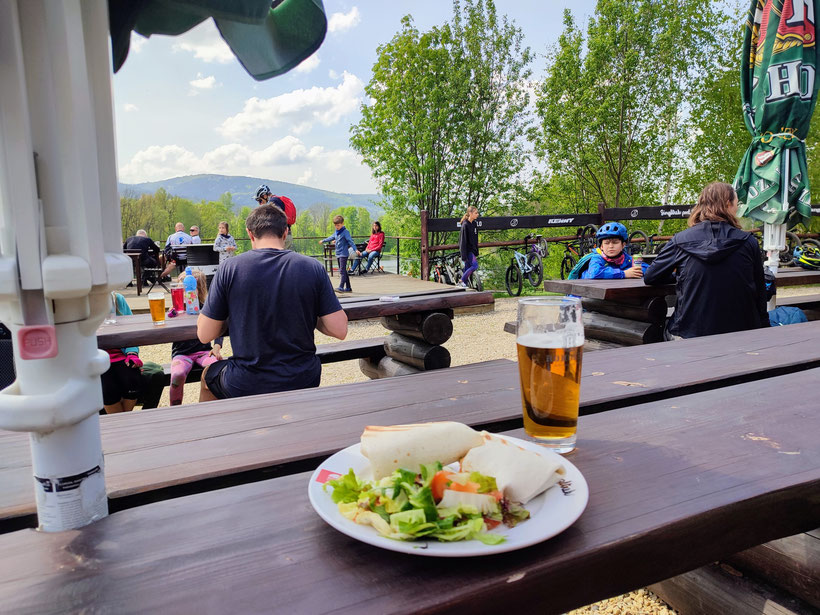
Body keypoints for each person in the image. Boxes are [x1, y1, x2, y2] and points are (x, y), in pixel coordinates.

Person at [197, 204, 347, 401]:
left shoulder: (230, 268)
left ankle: (219, 432)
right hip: (303, 377)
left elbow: (204, 334)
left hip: (246, 380)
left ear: (250, 234)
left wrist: (231, 315)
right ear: (285, 232)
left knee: (207, 376)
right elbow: (340, 330)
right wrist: (311, 313)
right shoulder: (312, 267)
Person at [644, 181, 770, 339]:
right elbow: (760, 289)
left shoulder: (680, 240)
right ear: (727, 204)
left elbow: (651, 276)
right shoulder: (748, 241)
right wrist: (764, 326)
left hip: (689, 333)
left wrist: (680, 276)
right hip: (742, 332)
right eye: (736, 203)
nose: (737, 209)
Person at [169, 270, 223, 405]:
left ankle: (210, 404)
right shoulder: (176, 310)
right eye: (182, 290)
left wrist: (217, 346)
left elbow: (219, 328)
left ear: (199, 290)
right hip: (182, 354)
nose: (186, 294)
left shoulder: (206, 309)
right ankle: (175, 409)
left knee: (217, 369)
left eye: (189, 290)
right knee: (177, 375)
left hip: (203, 352)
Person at [580, 223, 645, 279]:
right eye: (607, 243)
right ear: (601, 247)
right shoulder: (597, 258)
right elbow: (595, 273)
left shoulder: (627, 259)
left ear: (623, 245)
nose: (611, 246)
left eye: (615, 242)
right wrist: (624, 274)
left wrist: (636, 271)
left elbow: (648, 269)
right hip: (584, 292)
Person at [320, 215, 356, 293]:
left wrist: (355, 249)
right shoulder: (336, 232)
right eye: (335, 225)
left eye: (338, 225)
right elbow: (331, 237)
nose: (337, 227)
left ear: (342, 224)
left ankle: (341, 287)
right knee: (344, 271)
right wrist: (323, 240)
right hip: (338, 253)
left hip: (343, 254)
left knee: (342, 271)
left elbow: (350, 241)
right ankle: (348, 287)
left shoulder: (345, 232)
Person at [457, 206, 480, 287]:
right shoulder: (465, 225)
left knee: (467, 268)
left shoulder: (474, 224)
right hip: (467, 251)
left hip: (473, 250)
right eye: (476, 213)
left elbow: (475, 239)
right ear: (470, 213)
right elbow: (462, 241)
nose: (477, 214)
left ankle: (464, 285)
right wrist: (463, 255)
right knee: (474, 266)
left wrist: (476, 251)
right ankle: (461, 280)